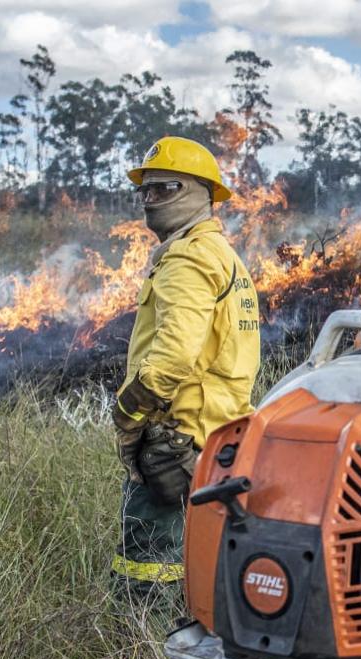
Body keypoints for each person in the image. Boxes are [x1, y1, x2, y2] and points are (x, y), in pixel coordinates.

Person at [111, 136, 261, 599]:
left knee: (147, 574)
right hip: (219, 440)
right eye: (146, 191)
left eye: (165, 188)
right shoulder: (223, 257)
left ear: (202, 194)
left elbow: (174, 355)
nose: (151, 201)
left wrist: (128, 417)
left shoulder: (188, 258)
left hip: (176, 441)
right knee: (202, 566)